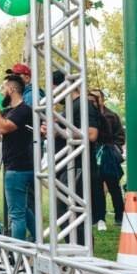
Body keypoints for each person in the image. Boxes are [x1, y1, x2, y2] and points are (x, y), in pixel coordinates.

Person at [42, 70, 101, 241]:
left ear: (63, 87)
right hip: (65, 166)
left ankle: (81, 255)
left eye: (53, 89)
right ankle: (75, 253)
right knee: (64, 214)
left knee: (71, 214)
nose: (52, 94)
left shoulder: (83, 105)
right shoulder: (68, 109)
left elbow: (91, 134)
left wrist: (59, 131)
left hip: (77, 167)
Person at [0, 74, 35, 241]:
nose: (1, 92)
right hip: (15, 167)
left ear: (12, 89)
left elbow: (3, 128)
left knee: (16, 215)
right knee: (23, 209)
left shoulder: (24, 110)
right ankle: (38, 239)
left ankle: (16, 254)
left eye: (4, 88)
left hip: (19, 168)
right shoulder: (8, 111)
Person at [89, 90, 125, 226]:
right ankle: (99, 218)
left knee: (114, 186)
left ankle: (120, 216)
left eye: (94, 99)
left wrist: (115, 148)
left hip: (108, 156)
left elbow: (119, 136)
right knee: (97, 188)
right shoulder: (89, 116)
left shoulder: (111, 116)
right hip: (94, 156)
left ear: (101, 100)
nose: (91, 102)